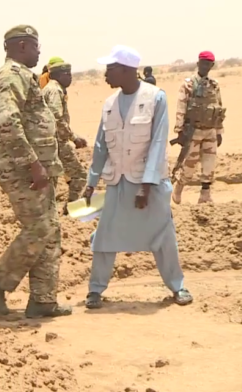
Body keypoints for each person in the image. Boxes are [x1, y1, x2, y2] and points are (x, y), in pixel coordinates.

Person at [83, 45, 192, 309]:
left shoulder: (156, 98)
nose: (106, 75)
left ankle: (178, 287)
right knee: (104, 236)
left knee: (163, 236)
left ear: (126, 70)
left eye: (110, 70)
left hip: (148, 185)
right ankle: (95, 290)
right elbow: (101, 146)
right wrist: (90, 182)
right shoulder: (109, 104)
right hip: (117, 183)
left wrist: (146, 186)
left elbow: (157, 143)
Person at [0, 25, 71, 318]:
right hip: (23, 171)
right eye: (35, 46)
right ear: (20, 46)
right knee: (38, 228)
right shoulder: (11, 76)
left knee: (50, 231)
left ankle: (43, 299)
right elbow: (9, 122)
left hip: (36, 168)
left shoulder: (23, 76)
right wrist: (33, 164)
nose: (39, 52)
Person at [172, 51, 226, 204]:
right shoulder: (188, 84)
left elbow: (218, 108)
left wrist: (219, 131)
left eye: (207, 64)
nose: (204, 66)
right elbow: (181, 107)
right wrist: (180, 131)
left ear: (211, 65)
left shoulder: (214, 85)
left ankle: (205, 195)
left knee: (209, 163)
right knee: (190, 164)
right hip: (193, 131)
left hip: (210, 130)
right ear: (198, 64)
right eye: (202, 63)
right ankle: (179, 187)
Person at [41, 60, 88, 205]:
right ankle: (71, 208)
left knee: (52, 178)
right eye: (67, 74)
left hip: (48, 141)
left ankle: (49, 211)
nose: (70, 77)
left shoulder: (49, 88)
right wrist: (74, 138)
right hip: (57, 141)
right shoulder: (55, 90)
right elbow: (57, 117)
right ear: (58, 75)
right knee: (79, 175)